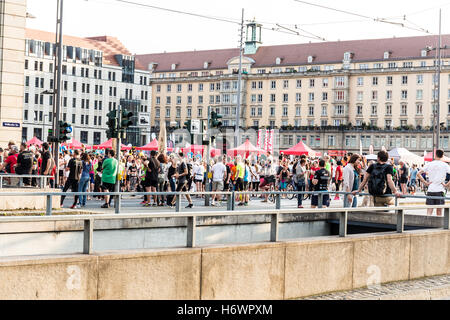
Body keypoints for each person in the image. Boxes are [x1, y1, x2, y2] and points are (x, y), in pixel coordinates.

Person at [419, 149, 450, 216]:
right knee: (439, 212)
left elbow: (418, 174)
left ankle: (427, 224)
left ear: (435, 155)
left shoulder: (429, 164)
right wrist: (446, 184)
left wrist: (425, 182)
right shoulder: (445, 165)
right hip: (440, 190)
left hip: (431, 189)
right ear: (442, 156)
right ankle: (439, 226)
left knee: (429, 211)